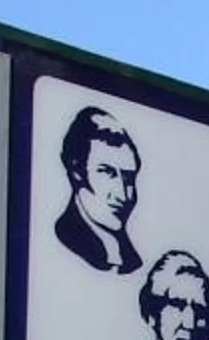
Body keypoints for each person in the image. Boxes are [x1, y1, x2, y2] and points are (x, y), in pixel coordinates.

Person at [51, 104, 142, 275]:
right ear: (77, 172)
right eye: (108, 173)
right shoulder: (64, 241)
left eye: (129, 178)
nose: (122, 194)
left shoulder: (133, 261)